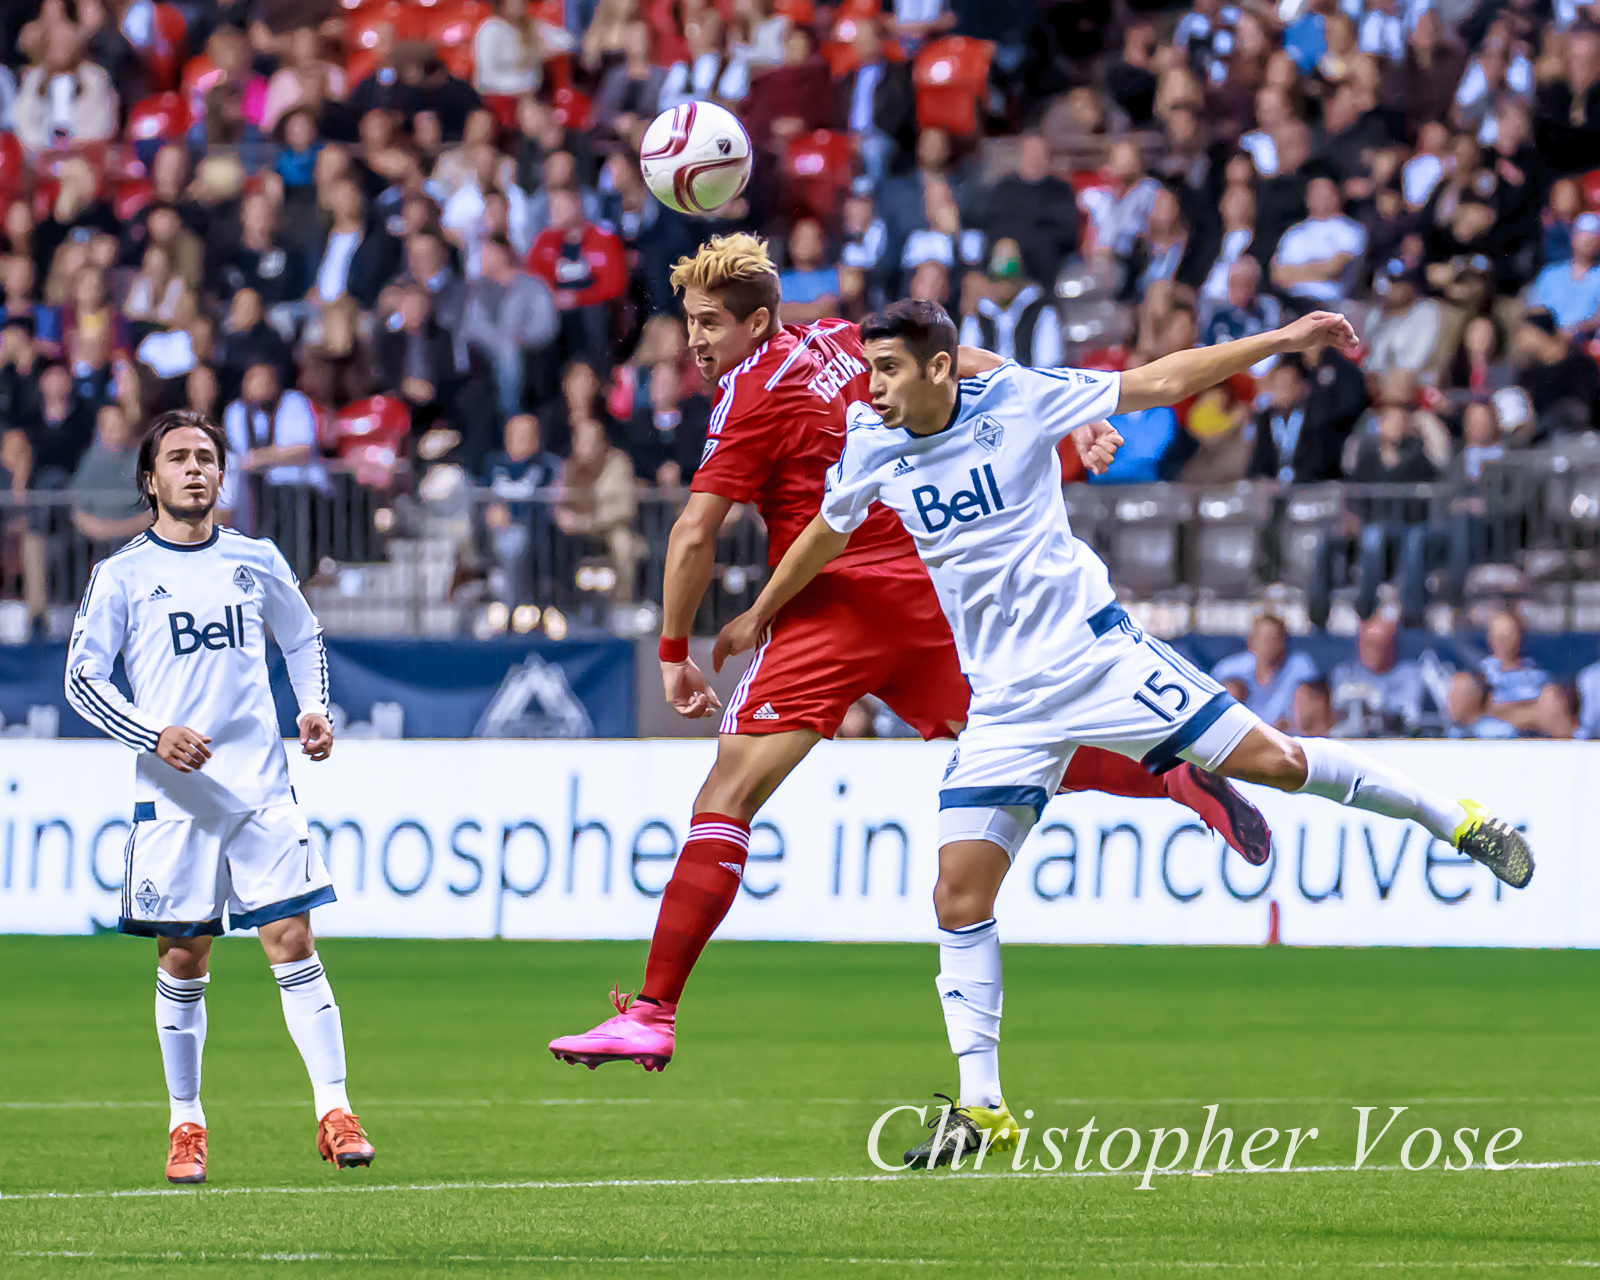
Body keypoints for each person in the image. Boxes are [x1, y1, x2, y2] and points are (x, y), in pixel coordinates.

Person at [713, 299, 1535, 1165]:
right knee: (958, 896)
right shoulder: (869, 442)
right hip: (1003, 704)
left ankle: (1458, 819)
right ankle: (983, 1106)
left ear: (941, 369)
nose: (870, 386)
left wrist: (1284, 340)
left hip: (1100, 661)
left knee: (1280, 762)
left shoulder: (1019, 401)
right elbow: (824, 534)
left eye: (887, 370)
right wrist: (759, 616)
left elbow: (1162, 380)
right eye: (869, 368)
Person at [547, 235, 1274, 1078]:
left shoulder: (750, 394)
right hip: (925, 592)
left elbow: (693, 533)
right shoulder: (834, 341)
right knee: (1020, 744)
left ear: (757, 322)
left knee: (728, 794)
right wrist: (1081, 416)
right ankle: (1175, 777)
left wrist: (674, 650)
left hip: (830, 608)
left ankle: (653, 1012)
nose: (696, 341)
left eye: (711, 323)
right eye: (689, 323)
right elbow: (959, 358)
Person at [63, 409, 373, 1186]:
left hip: (261, 788)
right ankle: (186, 1124)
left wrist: (312, 708)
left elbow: (302, 637)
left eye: (206, 457)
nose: (195, 469)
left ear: (221, 475)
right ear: (151, 479)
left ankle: (335, 1111)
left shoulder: (255, 557)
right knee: (183, 956)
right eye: (178, 458)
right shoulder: (123, 574)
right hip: (174, 801)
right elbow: (82, 679)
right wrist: (151, 733)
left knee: (293, 942)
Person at [1211, 614, 1318, 729]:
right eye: (1264, 639)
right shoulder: (1229, 669)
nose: (1269, 645)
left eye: (1274, 639)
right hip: (1244, 735)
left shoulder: (1298, 666)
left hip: (1288, 736)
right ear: (1251, 641)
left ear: (1284, 642)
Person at [1327, 616, 1425, 737]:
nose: (1373, 651)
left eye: (1379, 644)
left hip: (1394, 740)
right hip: (1353, 740)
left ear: (1392, 646)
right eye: (1369, 644)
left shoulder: (1409, 674)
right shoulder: (1346, 673)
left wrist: (1380, 700)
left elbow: (1412, 715)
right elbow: (1332, 709)